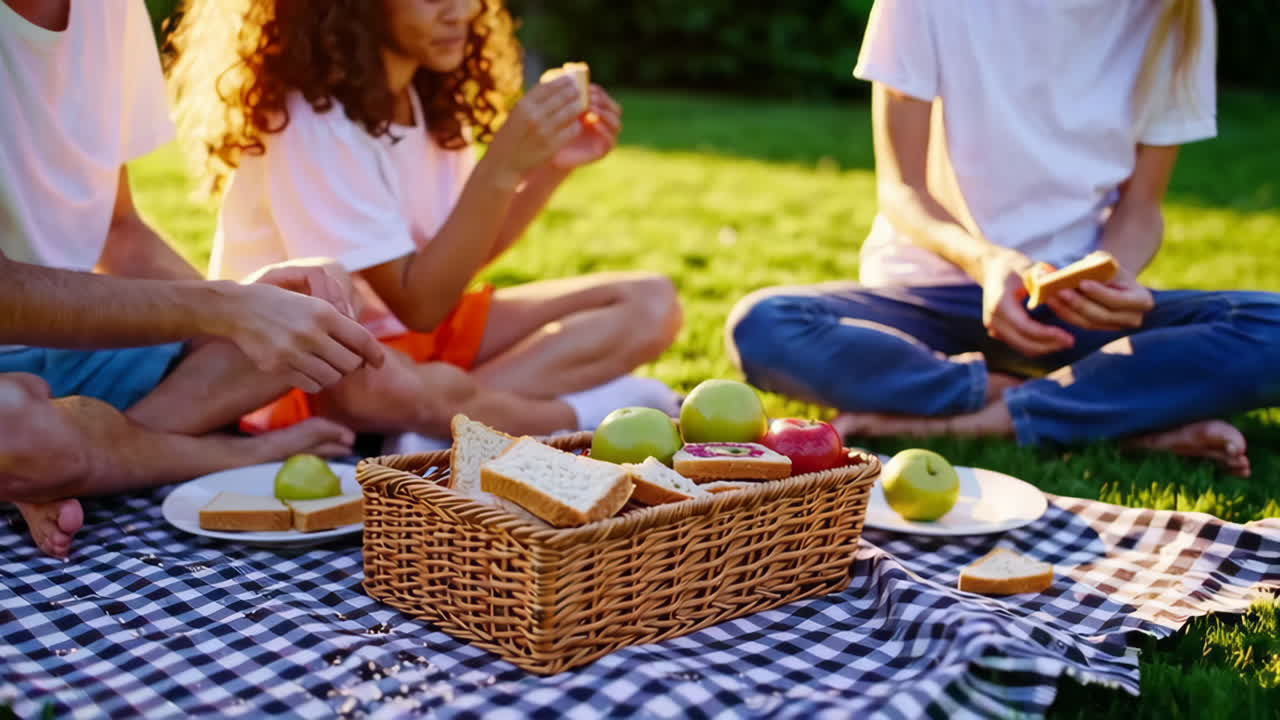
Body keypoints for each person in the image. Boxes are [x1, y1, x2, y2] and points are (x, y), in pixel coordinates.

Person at [727, 0, 1278, 477]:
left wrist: (1113, 271)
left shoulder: (1175, 12)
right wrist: (988, 261)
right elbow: (903, 190)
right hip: (922, 301)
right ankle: (1114, 416)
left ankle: (963, 414)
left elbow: (1141, 211)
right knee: (766, 325)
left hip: (1071, 311)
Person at [166, 0, 684, 442]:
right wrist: (502, 165)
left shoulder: (426, 100)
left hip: (423, 346)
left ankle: (439, 423)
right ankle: (576, 415)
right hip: (317, 370)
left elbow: (457, 259)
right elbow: (418, 304)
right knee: (381, 388)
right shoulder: (310, 123)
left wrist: (548, 169)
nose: (460, 11)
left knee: (652, 303)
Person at [0, 0, 387, 556]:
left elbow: (119, 230)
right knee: (21, 430)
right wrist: (222, 308)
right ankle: (229, 454)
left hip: (85, 357)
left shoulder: (111, 10)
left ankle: (78, 458)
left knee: (316, 300)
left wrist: (249, 309)